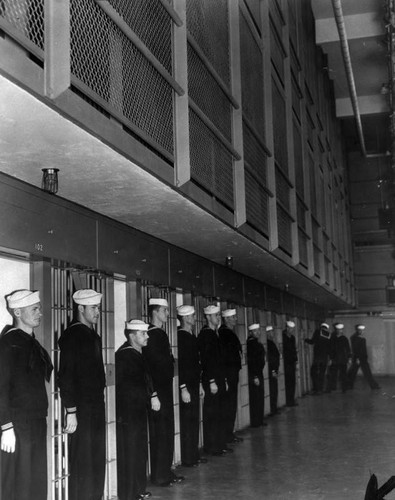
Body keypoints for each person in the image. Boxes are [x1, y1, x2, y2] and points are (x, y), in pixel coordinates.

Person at [0, 289, 53, 500]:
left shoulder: (33, 344)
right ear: (18, 313)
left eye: (39, 308)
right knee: (18, 481)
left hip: (37, 420)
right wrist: (6, 426)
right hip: (17, 424)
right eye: (34, 309)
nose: (40, 313)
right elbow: (0, 387)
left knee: (37, 479)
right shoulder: (6, 344)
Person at [58, 289, 106, 500]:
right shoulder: (72, 335)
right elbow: (66, 375)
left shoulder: (92, 335)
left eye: (98, 307)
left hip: (95, 405)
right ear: (81, 308)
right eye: (93, 308)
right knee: (83, 461)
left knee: (96, 458)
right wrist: (71, 410)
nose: (97, 312)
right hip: (81, 409)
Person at [142, 298, 184, 487]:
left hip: (165, 390)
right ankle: (160, 475)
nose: (168, 314)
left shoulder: (160, 334)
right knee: (160, 432)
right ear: (155, 312)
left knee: (166, 431)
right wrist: (153, 394)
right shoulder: (150, 335)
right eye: (165, 311)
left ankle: (166, 471)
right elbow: (153, 366)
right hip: (158, 391)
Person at [116, 319, 156, 500]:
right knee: (130, 451)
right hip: (129, 414)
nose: (147, 336)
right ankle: (129, 493)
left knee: (139, 450)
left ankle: (138, 489)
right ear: (132, 336)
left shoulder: (137, 353)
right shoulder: (125, 356)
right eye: (143, 334)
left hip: (138, 411)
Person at [197, 304, 230, 456]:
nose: (218, 318)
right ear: (208, 317)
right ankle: (212, 446)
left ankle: (220, 443)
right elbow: (206, 360)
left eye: (218, 315)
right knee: (212, 414)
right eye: (215, 316)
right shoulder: (205, 335)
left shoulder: (215, 334)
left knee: (220, 412)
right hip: (212, 380)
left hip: (219, 378)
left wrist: (223, 379)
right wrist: (211, 381)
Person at [177, 305, 207, 467]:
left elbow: (197, 364)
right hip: (186, 387)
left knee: (194, 421)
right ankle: (188, 458)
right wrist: (183, 388)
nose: (194, 318)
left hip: (195, 385)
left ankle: (193, 455)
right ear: (186, 318)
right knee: (188, 422)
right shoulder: (181, 338)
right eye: (193, 316)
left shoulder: (191, 336)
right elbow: (181, 365)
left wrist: (200, 384)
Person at [218, 308, 243, 444]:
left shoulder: (228, 333)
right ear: (226, 319)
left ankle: (229, 433)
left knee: (231, 404)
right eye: (233, 317)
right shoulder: (224, 333)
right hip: (229, 374)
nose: (235, 319)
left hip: (232, 373)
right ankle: (227, 434)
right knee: (228, 405)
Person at [348, 324, 380, 390]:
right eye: (361, 330)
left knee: (353, 373)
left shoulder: (354, 338)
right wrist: (358, 358)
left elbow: (357, 349)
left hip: (359, 358)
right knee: (367, 373)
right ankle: (374, 386)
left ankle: (348, 386)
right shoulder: (360, 339)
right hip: (361, 358)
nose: (363, 332)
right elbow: (357, 349)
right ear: (359, 331)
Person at [246, 323, 267, 427]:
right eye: (255, 331)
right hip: (255, 374)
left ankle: (259, 420)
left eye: (259, 330)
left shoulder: (256, 343)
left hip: (258, 373)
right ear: (250, 332)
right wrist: (254, 376)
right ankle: (256, 421)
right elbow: (252, 361)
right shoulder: (251, 344)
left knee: (259, 397)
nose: (258, 332)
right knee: (256, 397)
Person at [304, 322, 331, 394]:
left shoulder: (317, 332)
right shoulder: (329, 335)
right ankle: (320, 389)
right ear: (326, 328)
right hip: (325, 358)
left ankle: (316, 389)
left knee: (313, 372)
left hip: (317, 357)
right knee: (322, 373)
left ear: (321, 327)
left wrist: (305, 340)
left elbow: (312, 341)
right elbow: (329, 348)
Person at [326, 323, 351, 393]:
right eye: (338, 330)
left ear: (342, 330)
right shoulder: (332, 339)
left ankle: (344, 388)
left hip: (343, 359)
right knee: (332, 374)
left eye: (341, 330)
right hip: (335, 359)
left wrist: (349, 358)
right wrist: (330, 359)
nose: (340, 331)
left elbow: (348, 349)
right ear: (336, 330)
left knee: (343, 375)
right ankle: (331, 388)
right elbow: (330, 349)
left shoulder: (345, 339)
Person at [282, 320, 298, 406]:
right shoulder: (283, 337)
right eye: (290, 329)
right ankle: (288, 400)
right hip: (286, 363)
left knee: (292, 382)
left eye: (292, 329)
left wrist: (296, 361)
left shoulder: (293, 338)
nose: (291, 330)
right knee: (288, 382)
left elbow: (294, 350)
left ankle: (291, 399)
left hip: (292, 362)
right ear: (287, 328)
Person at [266, 325, 281, 416]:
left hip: (274, 370)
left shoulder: (271, 343)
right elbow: (272, 359)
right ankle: (272, 409)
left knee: (274, 390)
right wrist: (273, 371)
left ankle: (274, 408)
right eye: (270, 332)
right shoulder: (269, 344)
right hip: (272, 371)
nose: (272, 333)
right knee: (272, 390)